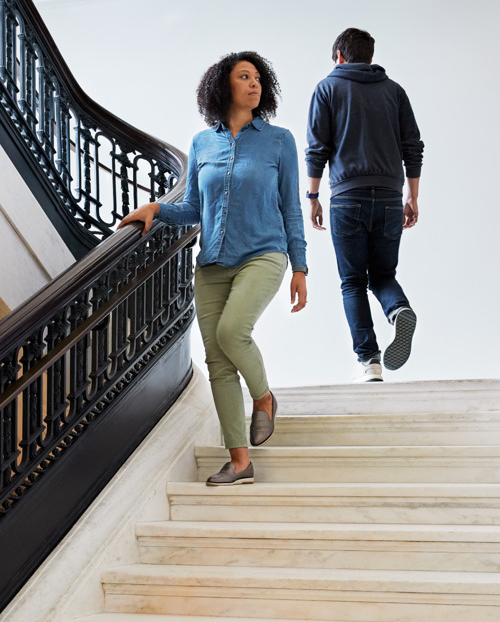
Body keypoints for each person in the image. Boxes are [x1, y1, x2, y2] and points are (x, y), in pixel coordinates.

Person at [119, 52, 307, 485]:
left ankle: (263, 399)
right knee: (219, 362)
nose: (254, 84)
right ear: (224, 86)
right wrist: (156, 209)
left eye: (259, 78)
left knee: (231, 332)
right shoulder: (203, 143)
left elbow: (291, 208)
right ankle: (240, 462)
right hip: (212, 265)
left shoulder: (279, 141)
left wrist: (300, 266)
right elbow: (194, 209)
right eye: (245, 77)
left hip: (264, 253)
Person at [305, 27, 424, 383]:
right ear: (370, 57)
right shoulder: (394, 91)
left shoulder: (327, 88)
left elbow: (317, 149)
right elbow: (413, 146)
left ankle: (369, 362)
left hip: (347, 197)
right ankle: (398, 309)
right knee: (383, 275)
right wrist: (412, 196)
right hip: (390, 195)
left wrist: (312, 197)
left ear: (339, 56)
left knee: (353, 282)